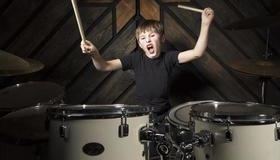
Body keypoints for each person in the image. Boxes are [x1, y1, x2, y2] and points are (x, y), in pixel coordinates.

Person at [80, 8, 214, 125]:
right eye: (143, 38)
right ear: (140, 44)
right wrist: (94, 54)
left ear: (162, 39)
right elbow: (103, 66)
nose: (148, 40)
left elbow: (197, 53)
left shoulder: (169, 58)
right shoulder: (135, 58)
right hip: (140, 116)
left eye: (152, 35)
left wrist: (205, 24)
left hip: (164, 116)